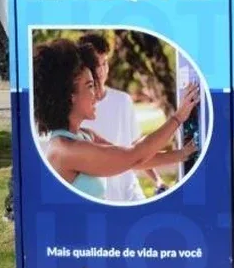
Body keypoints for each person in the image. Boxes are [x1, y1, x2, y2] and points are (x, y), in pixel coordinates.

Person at [33, 39, 200, 200]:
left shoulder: (83, 135)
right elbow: (134, 155)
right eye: (90, 86)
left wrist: (181, 154)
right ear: (70, 96)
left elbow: (134, 159)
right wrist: (179, 117)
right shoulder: (65, 150)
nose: (96, 93)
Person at [77, 33, 169, 200]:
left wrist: (157, 179)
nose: (103, 71)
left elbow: (135, 146)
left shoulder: (123, 100)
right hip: (99, 197)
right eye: (97, 65)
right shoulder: (76, 109)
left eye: (105, 63)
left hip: (130, 192)